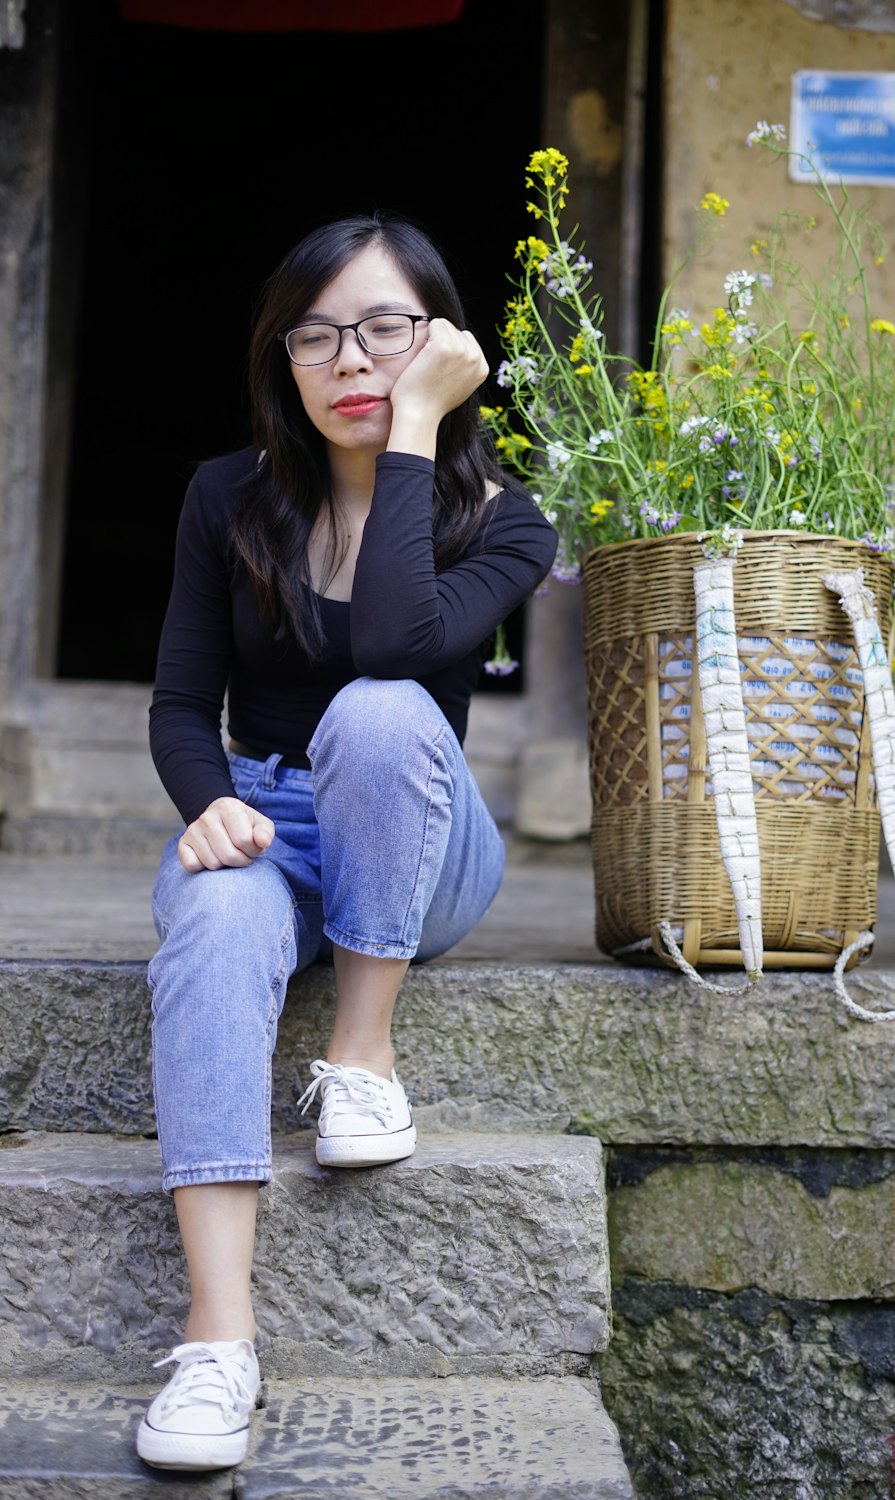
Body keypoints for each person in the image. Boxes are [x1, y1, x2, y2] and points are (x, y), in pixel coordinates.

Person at [136, 212, 557, 1471]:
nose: (349, 360)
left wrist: (415, 437)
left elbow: (388, 652)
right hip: (270, 818)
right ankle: (219, 1342)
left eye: (384, 328)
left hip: (420, 839)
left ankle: (360, 1053)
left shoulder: (507, 520)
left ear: (442, 345)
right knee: (213, 918)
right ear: (284, 358)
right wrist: (206, 801)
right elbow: (175, 702)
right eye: (314, 336)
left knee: (377, 714)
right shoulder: (229, 496)